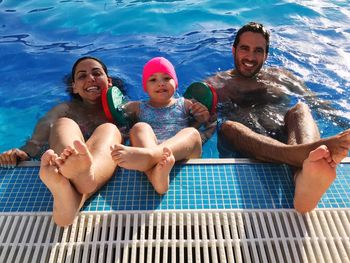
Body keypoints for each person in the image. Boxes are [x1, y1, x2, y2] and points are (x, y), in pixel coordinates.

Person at [205, 22, 350, 213]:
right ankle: (304, 160)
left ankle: (304, 174)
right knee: (228, 127)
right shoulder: (216, 85)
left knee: (301, 109)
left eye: (258, 51)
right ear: (233, 50)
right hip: (246, 146)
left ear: (266, 55)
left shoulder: (280, 77)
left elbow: (320, 105)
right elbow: (196, 120)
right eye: (244, 49)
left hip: (288, 141)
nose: (250, 57)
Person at [0, 56, 123, 226]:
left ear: (108, 81)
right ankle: (82, 174)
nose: (90, 78)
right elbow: (38, 138)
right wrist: (24, 152)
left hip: (94, 159)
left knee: (110, 129)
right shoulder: (65, 109)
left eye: (96, 73)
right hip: (73, 155)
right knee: (62, 123)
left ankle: (72, 193)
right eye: (82, 76)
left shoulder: (123, 110)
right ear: (74, 87)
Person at [111, 57, 210, 194]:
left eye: (166, 78)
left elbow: (204, 122)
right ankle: (157, 178)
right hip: (154, 153)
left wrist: (202, 116)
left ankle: (152, 155)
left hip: (181, 153)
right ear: (145, 87)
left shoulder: (185, 104)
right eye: (153, 80)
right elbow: (116, 111)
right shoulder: (137, 107)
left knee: (192, 132)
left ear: (175, 83)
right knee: (139, 127)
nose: (161, 84)